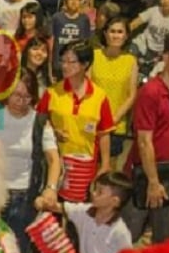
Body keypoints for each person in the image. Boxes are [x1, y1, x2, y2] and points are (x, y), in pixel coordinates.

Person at [123, 30, 169, 243]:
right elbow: (144, 141)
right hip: (145, 173)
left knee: (164, 237)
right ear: (166, 57)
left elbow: (165, 123)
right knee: (128, 234)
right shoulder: (150, 92)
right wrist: (153, 183)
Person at [0, 71, 61, 253]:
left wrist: (51, 188)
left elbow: (53, 159)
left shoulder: (39, 122)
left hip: (24, 197)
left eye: (26, 97)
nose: (20, 101)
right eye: (15, 95)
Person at [37, 41, 115, 181]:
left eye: (71, 62)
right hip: (55, 165)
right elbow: (38, 124)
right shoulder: (52, 93)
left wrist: (105, 165)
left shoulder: (99, 96)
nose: (65, 66)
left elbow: (104, 134)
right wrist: (53, 132)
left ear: (85, 64)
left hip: (86, 167)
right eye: (63, 61)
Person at [90, 17, 138, 163]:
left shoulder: (130, 60)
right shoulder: (94, 55)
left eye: (120, 32)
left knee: (109, 172)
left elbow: (132, 94)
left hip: (116, 125)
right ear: (105, 33)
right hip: (92, 121)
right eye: (112, 31)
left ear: (126, 35)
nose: (116, 35)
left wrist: (114, 118)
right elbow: (86, 87)